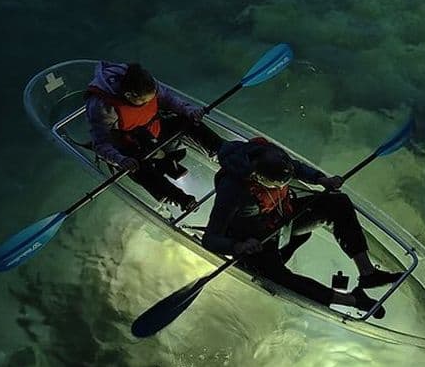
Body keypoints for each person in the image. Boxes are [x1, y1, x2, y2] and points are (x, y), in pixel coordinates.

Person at [201, 138, 403, 318]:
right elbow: (210, 238)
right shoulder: (233, 190)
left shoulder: (272, 156)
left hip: (282, 219)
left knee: (337, 203)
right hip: (253, 240)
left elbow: (295, 168)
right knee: (278, 279)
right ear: (258, 177)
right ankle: (353, 300)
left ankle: (368, 273)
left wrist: (321, 179)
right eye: (276, 185)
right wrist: (237, 246)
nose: (281, 187)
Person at [85, 61, 224, 211]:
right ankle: (179, 199)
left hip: (154, 129)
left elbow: (170, 100)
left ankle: (224, 151)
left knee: (187, 121)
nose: (148, 103)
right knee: (138, 169)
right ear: (129, 95)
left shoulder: (149, 84)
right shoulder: (102, 107)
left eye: (151, 99)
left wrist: (189, 110)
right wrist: (121, 160)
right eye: (144, 101)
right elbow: (101, 144)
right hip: (130, 144)